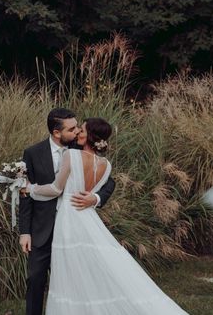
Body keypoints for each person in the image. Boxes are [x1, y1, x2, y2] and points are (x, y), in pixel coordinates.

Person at [23, 117, 189, 314]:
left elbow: (56, 189)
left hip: (68, 218)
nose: (78, 132)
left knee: (69, 271)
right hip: (87, 219)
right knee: (87, 269)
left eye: (82, 130)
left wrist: (30, 188)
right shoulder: (105, 164)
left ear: (90, 136)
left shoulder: (70, 156)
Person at [18, 108, 116, 315]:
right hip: (42, 226)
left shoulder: (80, 147)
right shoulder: (32, 153)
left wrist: (96, 198)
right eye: (72, 129)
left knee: (76, 279)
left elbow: (109, 181)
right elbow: (23, 193)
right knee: (35, 278)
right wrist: (24, 231)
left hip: (74, 226)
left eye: (79, 128)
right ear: (56, 132)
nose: (77, 131)